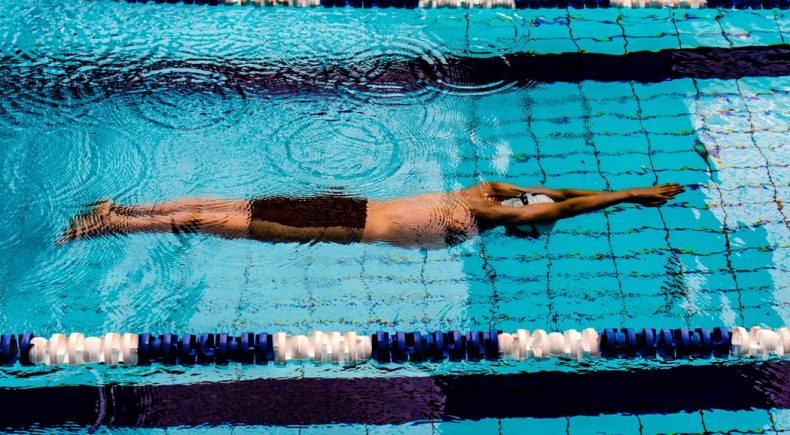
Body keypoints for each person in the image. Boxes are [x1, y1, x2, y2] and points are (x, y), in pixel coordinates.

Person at [59, 182, 685, 248]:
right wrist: (632, 197)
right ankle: (111, 224)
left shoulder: (485, 191)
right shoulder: (482, 220)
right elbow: (568, 208)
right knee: (221, 222)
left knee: (231, 206)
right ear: (516, 222)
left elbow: (556, 196)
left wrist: (631, 187)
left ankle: (121, 209)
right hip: (346, 226)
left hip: (350, 205)